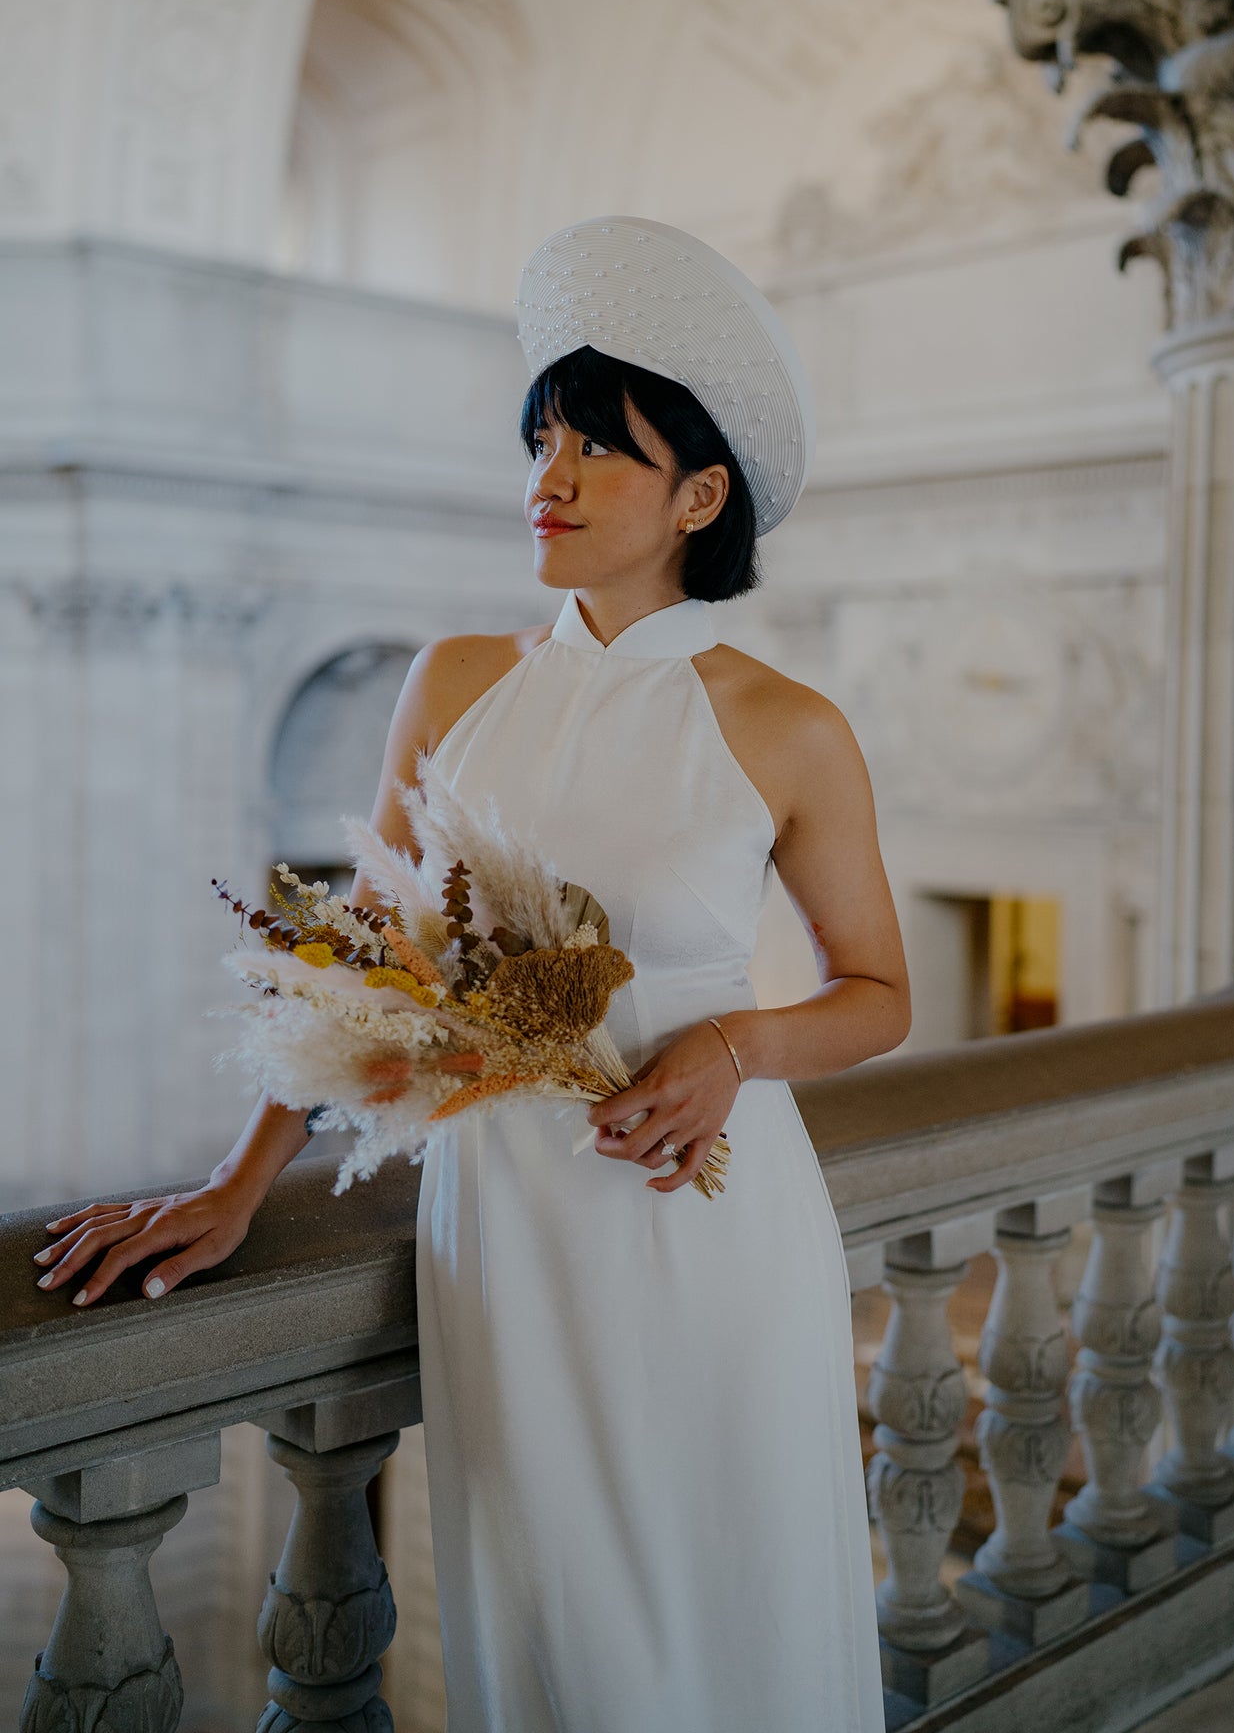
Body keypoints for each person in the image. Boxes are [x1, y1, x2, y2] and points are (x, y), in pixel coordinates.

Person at [36, 215, 912, 1732]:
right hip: (503, 1228)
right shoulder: (455, 683)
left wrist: (735, 1048)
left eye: (595, 452)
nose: (546, 480)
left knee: (728, 1612)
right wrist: (239, 1181)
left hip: (704, 1230)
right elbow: (359, 973)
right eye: (540, 442)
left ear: (699, 494)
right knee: (550, 1630)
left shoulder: (786, 725)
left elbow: (876, 992)